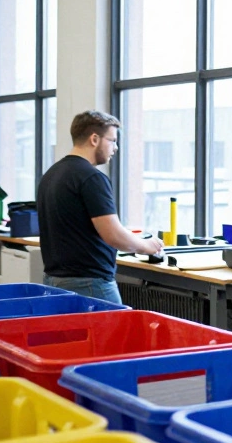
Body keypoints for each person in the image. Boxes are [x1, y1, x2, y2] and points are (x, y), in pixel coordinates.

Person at [38, 110, 163, 304]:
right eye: (112, 141)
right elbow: (112, 235)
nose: (116, 148)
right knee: (115, 335)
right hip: (89, 285)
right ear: (94, 139)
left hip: (54, 282)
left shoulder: (51, 174)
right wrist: (147, 246)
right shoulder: (92, 178)